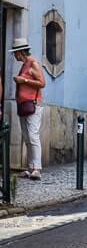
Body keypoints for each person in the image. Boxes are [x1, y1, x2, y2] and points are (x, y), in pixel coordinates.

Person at [11, 37, 45, 180]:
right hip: (23, 105)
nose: (14, 56)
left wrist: (23, 80)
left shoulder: (33, 63)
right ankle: (30, 167)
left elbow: (42, 83)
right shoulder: (24, 64)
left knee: (33, 136)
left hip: (33, 104)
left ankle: (37, 169)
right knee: (27, 137)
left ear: (20, 52)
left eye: (15, 53)